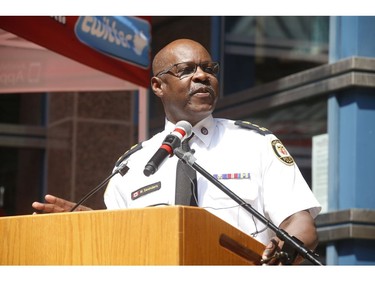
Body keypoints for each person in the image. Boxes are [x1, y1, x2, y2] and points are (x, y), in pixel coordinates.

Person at [32, 38, 321, 265]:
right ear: (158, 86)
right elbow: (119, 252)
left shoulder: (254, 144)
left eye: (209, 69)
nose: (202, 76)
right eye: (186, 70)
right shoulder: (130, 167)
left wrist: (284, 253)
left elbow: (300, 223)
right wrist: (95, 227)